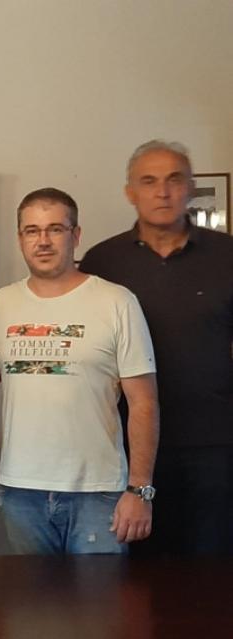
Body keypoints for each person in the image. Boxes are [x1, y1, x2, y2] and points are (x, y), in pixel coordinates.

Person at [80, 140, 233, 555]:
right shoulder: (102, 262)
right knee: (139, 570)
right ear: (130, 192)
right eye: (148, 181)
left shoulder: (227, 256)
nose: (162, 192)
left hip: (215, 442)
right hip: (128, 445)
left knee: (214, 566)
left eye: (174, 179)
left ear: (191, 188)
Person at [0, 188, 159, 554]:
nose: (43, 241)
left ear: (76, 235)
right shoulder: (1, 303)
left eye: (55, 229)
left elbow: (143, 402)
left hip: (98, 493)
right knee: (29, 595)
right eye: (32, 231)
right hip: (22, 491)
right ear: (20, 238)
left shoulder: (117, 302)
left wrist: (140, 490)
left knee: (101, 594)